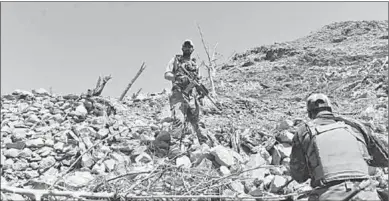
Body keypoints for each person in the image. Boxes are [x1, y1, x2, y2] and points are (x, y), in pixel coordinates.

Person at [290, 93, 388, 201]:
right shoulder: (355, 126)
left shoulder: (303, 132)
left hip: (329, 195)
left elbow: (299, 176)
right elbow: (384, 159)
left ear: (309, 114)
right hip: (366, 194)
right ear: (331, 109)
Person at [163, 39, 211, 157]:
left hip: (191, 96)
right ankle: (174, 148)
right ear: (182, 48)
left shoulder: (195, 65)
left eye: (190, 47)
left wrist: (201, 91)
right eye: (185, 46)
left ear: (192, 49)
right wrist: (177, 78)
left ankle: (205, 144)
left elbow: (198, 80)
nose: (187, 49)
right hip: (179, 95)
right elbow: (167, 74)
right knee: (179, 120)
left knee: (197, 121)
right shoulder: (175, 60)